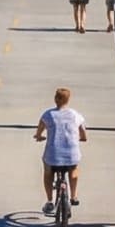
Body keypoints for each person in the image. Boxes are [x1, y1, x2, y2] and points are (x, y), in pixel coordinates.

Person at [36, 87, 87, 216]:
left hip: (53, 155)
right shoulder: (75, 115)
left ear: (55, 99)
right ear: (68, 100)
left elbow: (39, 130)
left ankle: (49, 201)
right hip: (71, 154)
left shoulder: (48, 114)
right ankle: (74, 196)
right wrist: (82, 138)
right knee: (73, 169)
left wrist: (39, 136)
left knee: (48, 172)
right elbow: (83, 133)